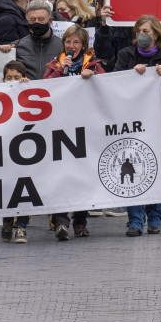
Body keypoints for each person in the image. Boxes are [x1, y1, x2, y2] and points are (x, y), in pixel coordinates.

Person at [114, 15, 161, 236]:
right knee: (132, 169)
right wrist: (130, 75)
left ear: (157, 34)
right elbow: (115, 86)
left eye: (147, 31)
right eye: (139, 30)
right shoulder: (126, 55)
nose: (143, 35)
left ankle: (155, 217)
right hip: (134, 125)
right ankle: (136, 221)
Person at [43, 25, 105, 241]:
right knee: (61, 174)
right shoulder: (54, 64)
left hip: (86, 128)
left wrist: (93, 78)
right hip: (60, 127)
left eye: (76, 42)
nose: (71, 46)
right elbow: (44, 90)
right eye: (68, 42)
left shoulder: (95, 66)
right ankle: (61, 220)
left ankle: (80, 220)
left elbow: (106, 90)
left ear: (84, 45)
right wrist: (61, 69)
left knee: (83, 175)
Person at [13, 1, 63, 79]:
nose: (37, 22)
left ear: (50, 21)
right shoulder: (17, 46)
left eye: (41, 19)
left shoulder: (62, 46)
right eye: (32, 19)